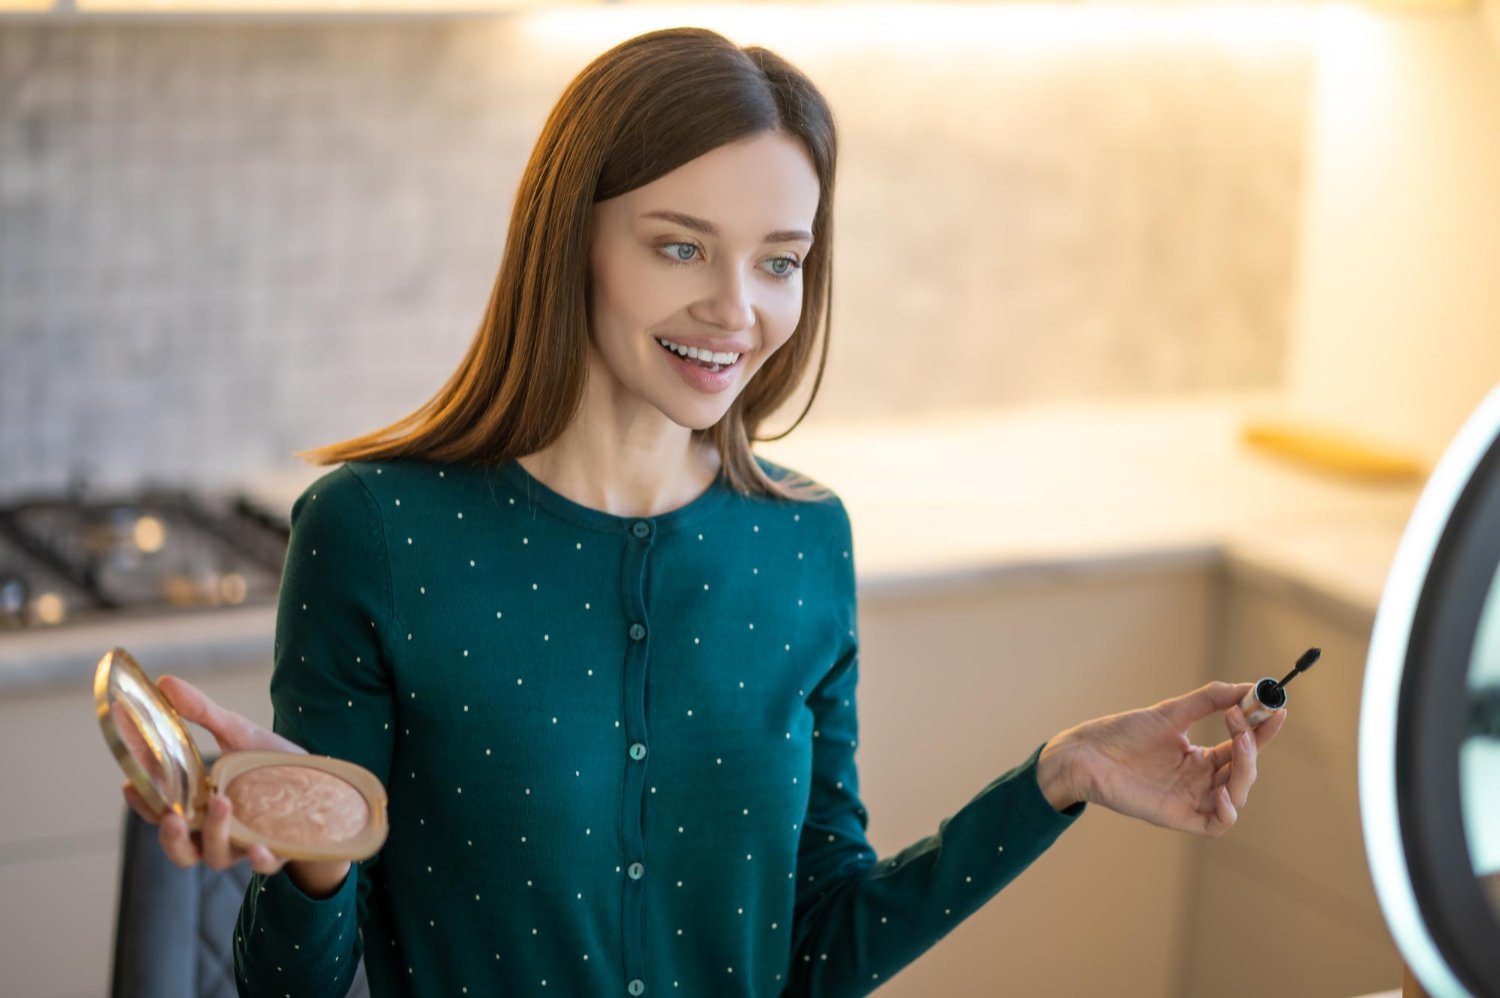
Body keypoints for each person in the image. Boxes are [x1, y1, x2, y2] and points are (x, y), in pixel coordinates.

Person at [123, 25, 1286, 998]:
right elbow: (290, 984)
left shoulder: (801, 542)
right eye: (681, 246)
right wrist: (314, 851)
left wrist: (1061, 775)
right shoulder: (376, 532)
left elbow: (822, 943)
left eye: (780, 261)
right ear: (569, 237)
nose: (736, 310)